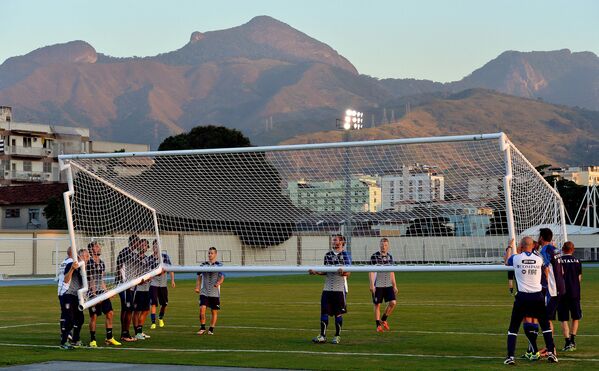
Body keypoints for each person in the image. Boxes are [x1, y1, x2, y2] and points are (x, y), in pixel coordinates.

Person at [503, 237, 558, 365]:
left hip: (522, 296)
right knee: (545, 326)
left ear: (521, 246)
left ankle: (510, 357)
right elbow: (546, 269)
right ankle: (551, 354)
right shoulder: (539, 259)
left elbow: (506, 261)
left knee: (513, 328)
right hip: (537, 296)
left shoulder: (516, 258)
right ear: (532, 246)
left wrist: (510, 247)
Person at [309, 234, 351, 345]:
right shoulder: (327, 255)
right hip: (327, 288)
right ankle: (322, 336)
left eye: (335, 240)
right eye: (332, 240)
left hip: (339, 288)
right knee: (324, 312)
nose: (333, 242)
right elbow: (325, 271)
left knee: (338, 313)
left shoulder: (345, 255)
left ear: (341, 242)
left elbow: (349, 273)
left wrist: (343, 272)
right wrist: (316, 272)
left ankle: (337, 336)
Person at [86, 241, 121, 347]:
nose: (99, 248)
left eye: (98, 246)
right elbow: (90, 279)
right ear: (91, 250)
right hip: (92, 293)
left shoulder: (101, 262)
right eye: (96, 246)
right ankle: (93, 340)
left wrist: (107, 292)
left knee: (110, 313)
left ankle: (109, 338)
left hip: (101, 292)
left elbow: (101, 280)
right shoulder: (88, 263)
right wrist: (94, 293)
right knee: (94, 316)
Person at [538, 228, 566, 335]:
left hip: (552, 290)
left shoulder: (544, 251)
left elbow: (546, 269)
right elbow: (562, 270)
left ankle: (550, 348)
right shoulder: (556, 250)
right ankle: (550, 346)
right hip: (561, 287)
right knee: (548, 318)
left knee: (545, 319)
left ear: (541, 237)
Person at [63, 249, 90, 348]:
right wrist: (72, 269)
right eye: (86, 256)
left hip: (80, 298)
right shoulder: (72, 265)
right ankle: (64, 342)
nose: (87, 258)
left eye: (88, 256)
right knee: (70, 319)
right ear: (79, 257)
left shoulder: (87, 268)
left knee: (80, 319)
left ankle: (76, 340)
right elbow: (66, 280)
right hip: (70, 295)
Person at [369, 238, 397, 332]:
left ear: (388, 246)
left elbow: (392, 272)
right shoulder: (374, 256)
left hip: (388, 284)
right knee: (377, 304)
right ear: (379, 245)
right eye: (381, 245)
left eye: (385, 245)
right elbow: (371, 271)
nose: (383, 247)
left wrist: (394, 285)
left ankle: (384, 319)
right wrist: (372, 285)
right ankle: (378, 325)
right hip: (378, 284)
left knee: (393, 302)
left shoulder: (390, 257)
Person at [558, 241, 582, 351]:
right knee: (575, 317)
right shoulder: (577, 261)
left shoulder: (559, 261)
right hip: (575, 293)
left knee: (564, 318)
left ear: (563, 249)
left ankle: (567, 341)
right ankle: (572, 340)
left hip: (562, 293)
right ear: (573, 249)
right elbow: (579, 278)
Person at [195, 247, 225, 335]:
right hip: (204, 291)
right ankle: (202, 327)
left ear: (215, 254)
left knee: (214, 311)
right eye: (209, 253)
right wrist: (197, 287)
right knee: (202, 309)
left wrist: (218, 283)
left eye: (211, 253)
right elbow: (199, 277)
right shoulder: (203, 265)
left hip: (214, 292)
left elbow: (222, 277)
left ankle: (211, 329)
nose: (210, 255)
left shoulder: (219, 265)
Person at [116, 234, 139, 342]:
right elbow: (119, 267)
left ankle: (124, 333)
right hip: (124, 285)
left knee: (126, 309)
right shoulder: (125, 252)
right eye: (137, 242)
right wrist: (121, 281)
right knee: (127, 309)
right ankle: (125, 334)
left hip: (131, 285)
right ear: (133, 242)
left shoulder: (133, 254)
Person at [149, 240, 175, 329]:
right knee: (153, 303)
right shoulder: (150, 258)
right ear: (153, 247)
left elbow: (170, 269)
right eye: (154, 246)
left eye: (158, 246)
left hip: (163, 284)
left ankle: (160, 318)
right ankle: (153, 322)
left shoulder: (165, 257)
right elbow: (149, 272)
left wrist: (172, 280)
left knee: (164, 304)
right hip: (153, 283)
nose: (156, 247)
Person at [133, 239, 152, 340]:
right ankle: (137, 332)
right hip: (137, 289)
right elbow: (132, 272)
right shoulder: (134, 257)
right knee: (136, 311)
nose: (143, 247)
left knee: (146, 310)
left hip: (146, 288)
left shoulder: (148, 259)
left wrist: (150, 276)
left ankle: (139, 331)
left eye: (145, 245)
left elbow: (150, 271)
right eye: (141, 245)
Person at [58, 248, 76, 350]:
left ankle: (64, 333)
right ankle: (65, 335)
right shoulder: (70, 262)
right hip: (65, 291)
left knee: (64, 313)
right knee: (68, 315)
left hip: (62, 290)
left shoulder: (64, 261)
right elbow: (66, 278)